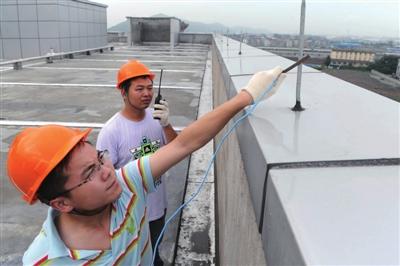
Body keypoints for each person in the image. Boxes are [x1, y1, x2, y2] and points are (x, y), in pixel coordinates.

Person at [7, 67, 285, 265]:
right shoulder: (44, 260)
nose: (107, 171)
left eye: (99, 158)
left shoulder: (126, 184)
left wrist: (247, 95)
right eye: (90, 173)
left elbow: (184, 144)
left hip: (156, 211)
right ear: (61, 204)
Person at [96, 60, 177, 265]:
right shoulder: (111, 131)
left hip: (158, 207)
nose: (147, 94)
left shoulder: (156, 118)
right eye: (139, 89)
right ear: (124, 93)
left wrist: (167, 125)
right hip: (130, 215)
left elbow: (176, 149)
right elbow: (102, 179)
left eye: (149, 88)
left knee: (154, 251)